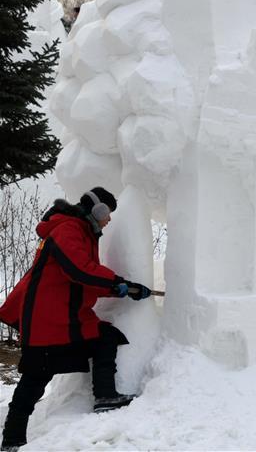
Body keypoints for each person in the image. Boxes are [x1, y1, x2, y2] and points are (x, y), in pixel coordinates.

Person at [0, 188, 153, 451]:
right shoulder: (68, 230)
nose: (109, 220)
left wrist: (122, 288)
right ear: (98, 211)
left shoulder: (79, 232)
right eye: (108, 213)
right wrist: (118, 283)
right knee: (35, 378)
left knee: (103, 337)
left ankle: (104, 396)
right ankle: (13, 440)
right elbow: (80, 270)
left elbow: (84, 278)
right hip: (47, 320)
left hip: (62, 318)